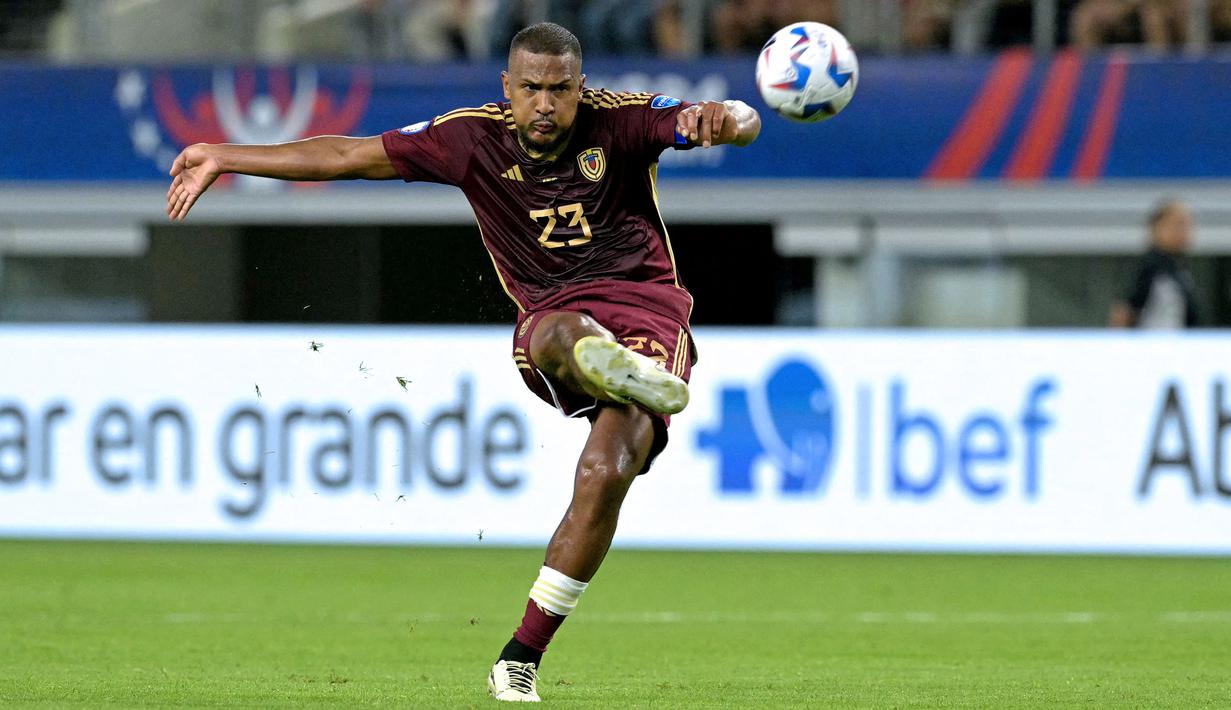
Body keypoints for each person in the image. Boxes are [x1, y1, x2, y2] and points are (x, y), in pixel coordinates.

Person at [164, 22, 760, 703]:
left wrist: (728, 120)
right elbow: (346, 155)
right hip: (553, 315)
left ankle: (518, 658)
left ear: (579, 89)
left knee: (604, 470)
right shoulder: (468, 137)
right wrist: (225, 155)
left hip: (647, 312)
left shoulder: (620, 122)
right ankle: (600, 361)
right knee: (561, 331)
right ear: (506, 89)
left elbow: (719, 123)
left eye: (559, 91)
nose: (544, 105)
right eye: (530, 89)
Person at [1110, 199, 1199, 329]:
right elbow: (1123, 311)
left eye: (1187, 225)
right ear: (1157, 227)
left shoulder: (1179, 268)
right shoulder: (1148, 266)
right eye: (1178, 225)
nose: (1184, 232)